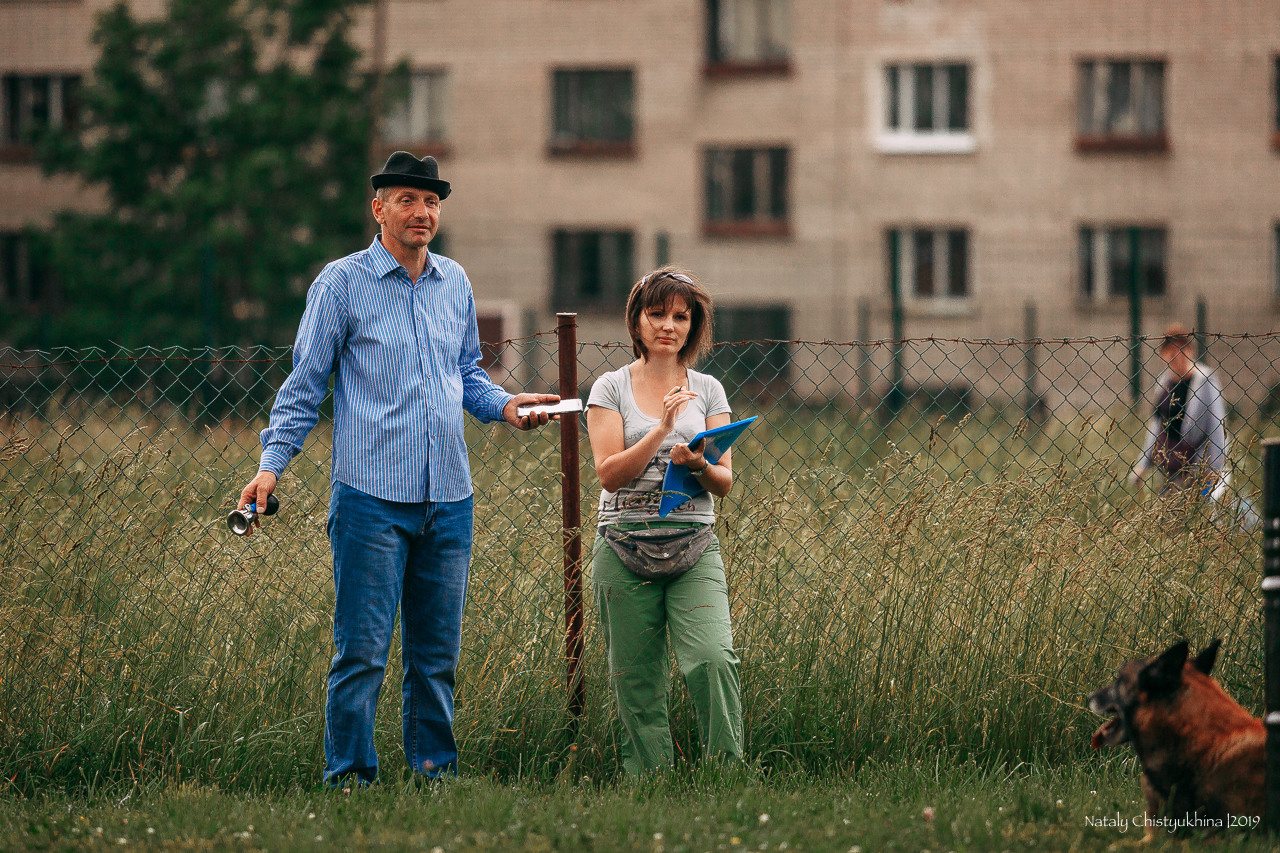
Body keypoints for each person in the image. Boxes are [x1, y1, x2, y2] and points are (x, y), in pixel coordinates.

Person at [235, 151, 559, 786]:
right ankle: (351, 778)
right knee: (361, 653)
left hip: (449, 499)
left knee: (436, 657)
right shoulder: (340, 283)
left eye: (432, 201)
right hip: (371, 500)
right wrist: (272, 465)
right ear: (378, 208)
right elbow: (305, 385)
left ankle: (433, 775)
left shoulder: (454, 282)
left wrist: (506, 408)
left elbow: (466, 373)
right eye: (407, 199)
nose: (423, 211)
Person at [585, 267, 743, 775]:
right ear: (636, 320)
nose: (668, 326)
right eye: (657, 314)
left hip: (694, 541)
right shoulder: (609, 387)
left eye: (681, 315)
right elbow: (609, 474)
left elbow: (723, 480)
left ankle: (726, 776)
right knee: (636, 676)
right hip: (623, 543)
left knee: (713, 658)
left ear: (693, 325)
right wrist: (663, 431)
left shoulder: (710, 390)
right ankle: (649, 781)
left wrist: (696, 463)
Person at [1129, 323, 1229, 500]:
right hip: (1170, 470)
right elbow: (1156, 427)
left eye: (1182, 349)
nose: (1177, 356)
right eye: (1171, 351)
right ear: (1163, 355)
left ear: (1190, 351)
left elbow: (1217, 428)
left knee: (1199, 518)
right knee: (1171, 521)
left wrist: (1213, 469)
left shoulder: (1205, 381)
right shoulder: (1164, 383)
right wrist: (1143, 465)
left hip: (1199, 468)